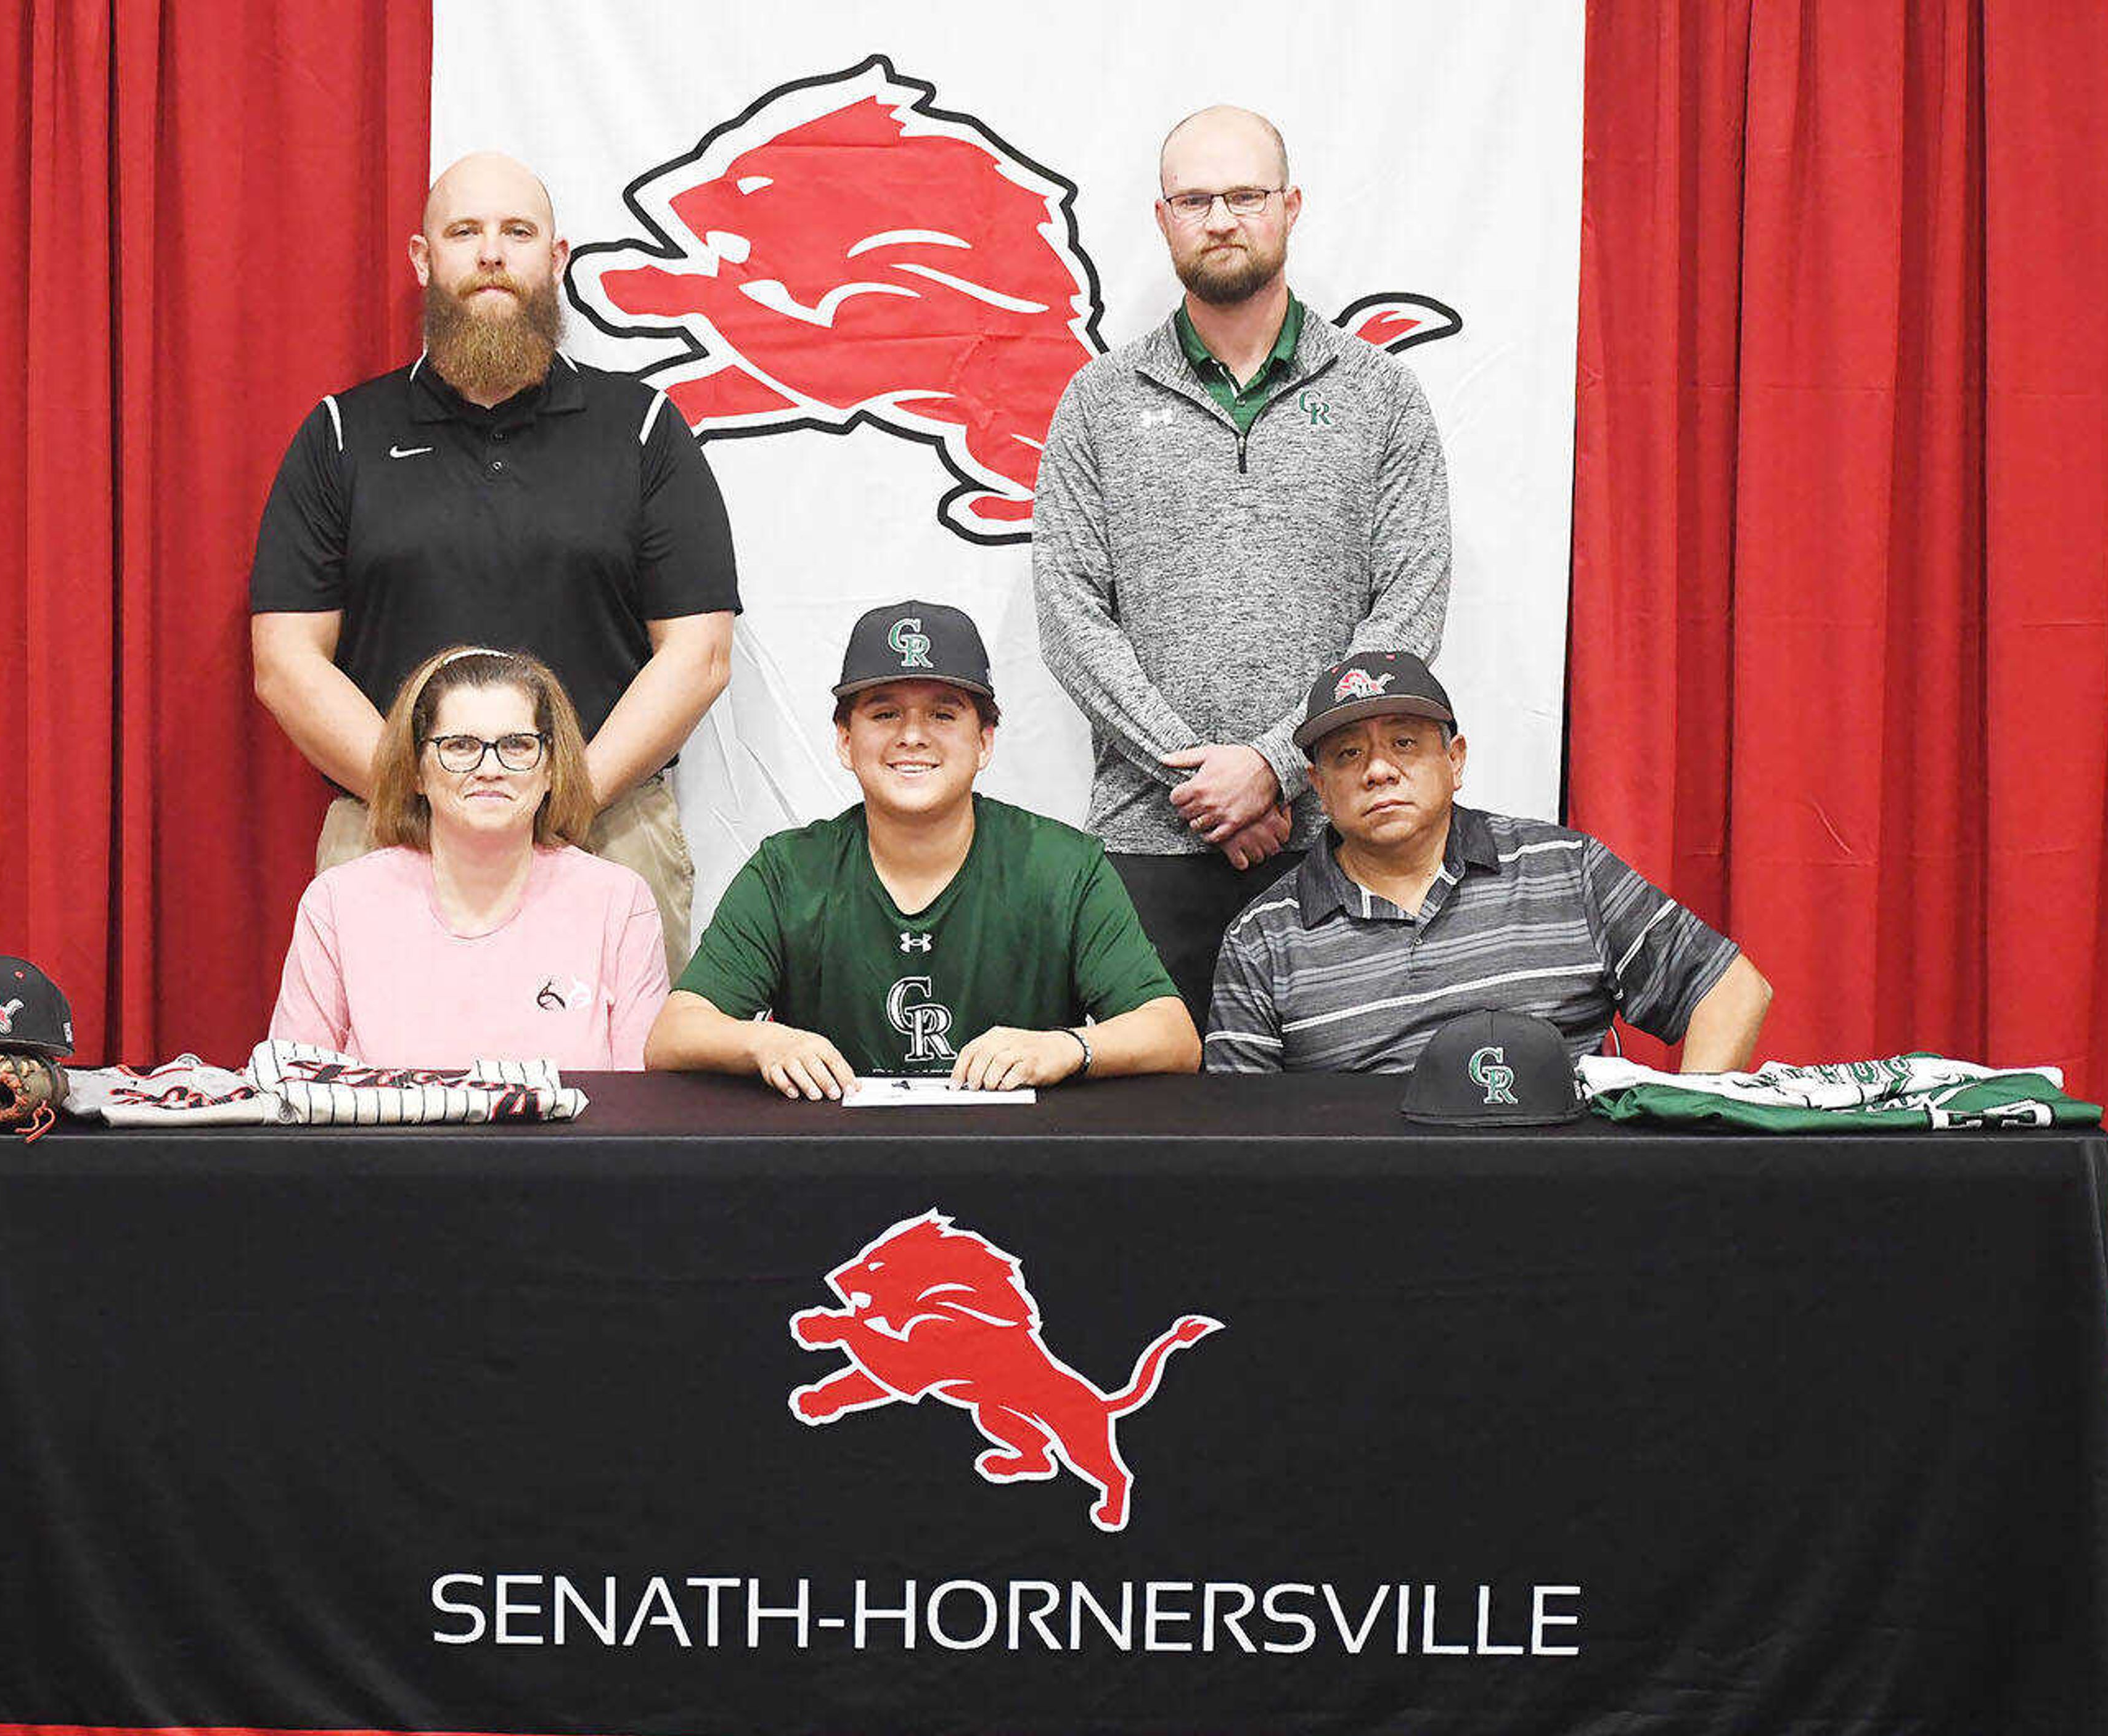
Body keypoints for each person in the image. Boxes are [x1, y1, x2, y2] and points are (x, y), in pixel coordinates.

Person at [249, 150, 738, 973]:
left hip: (605, 834)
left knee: (629, 1105)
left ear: (556, 259)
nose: (490, 254)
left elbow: (699, 654)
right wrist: (432, 796)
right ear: (423, 258)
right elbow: (285, 662)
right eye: (464, 231)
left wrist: (561, 799)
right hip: (391, 831)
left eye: (517, 232)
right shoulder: (340, 435)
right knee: (375, 1095)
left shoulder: (645, 428)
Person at [1033, 103, 1453, 1020]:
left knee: (1339, 1132)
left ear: (1291, 206)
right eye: (1195, 198)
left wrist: (1276, 766)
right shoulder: (1098, 401)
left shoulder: (1383, 397)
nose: (1221, 218)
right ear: (1162, 219)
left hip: (1345, 833)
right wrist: (1204, 781)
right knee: (1147, 1139)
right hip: (1148, 845)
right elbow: (1070, 616)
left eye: (1246, 195)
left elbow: (1408, 610)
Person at [645, 603, 1199, 1097]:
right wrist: (762, 1042)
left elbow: (1172, 1033)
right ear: (845, 739)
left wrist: (1067, 1047)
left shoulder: (1062, 865)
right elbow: (674, 1033)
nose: (912, 736)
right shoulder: (789, 869)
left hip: (1015, 1164)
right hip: (836, 1166)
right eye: (885, 714)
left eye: (943, 713)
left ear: (985, 741)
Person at [1206, 651, 1771, 1073]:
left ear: (1455, 762)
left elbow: (1731, 988)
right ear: (1319, 789)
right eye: (1348, 754)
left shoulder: (1565, 870)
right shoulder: (1263, 938)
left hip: (1564, 1208)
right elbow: (1240, 1136)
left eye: (1404, 743)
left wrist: (1690, 1144)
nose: (1378, 770)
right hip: (1365, 1218)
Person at [269, 645, 668, 1069]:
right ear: (417, 769)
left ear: (551, 767)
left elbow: (641, 1110)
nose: (490, 767)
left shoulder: (619, 902)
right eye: (460, 745)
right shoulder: (337, 902)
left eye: (517, 744)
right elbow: (294, 1094)